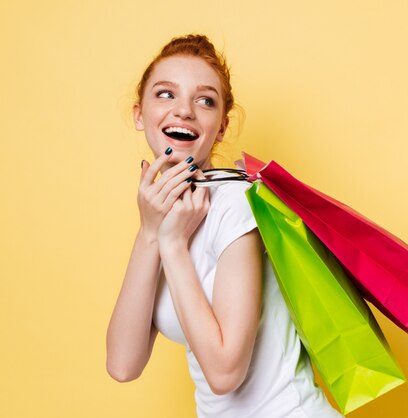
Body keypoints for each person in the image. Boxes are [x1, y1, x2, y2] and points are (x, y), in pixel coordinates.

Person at [106, 34, 343, 418]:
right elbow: (122, 364)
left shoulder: (235, 204)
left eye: (204, 100)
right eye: (166, 94)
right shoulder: (163, 214)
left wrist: (172, 245)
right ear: (139, 114)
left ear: (220, 127)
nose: (183, 111)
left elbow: (225, 372)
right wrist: (150, 231)